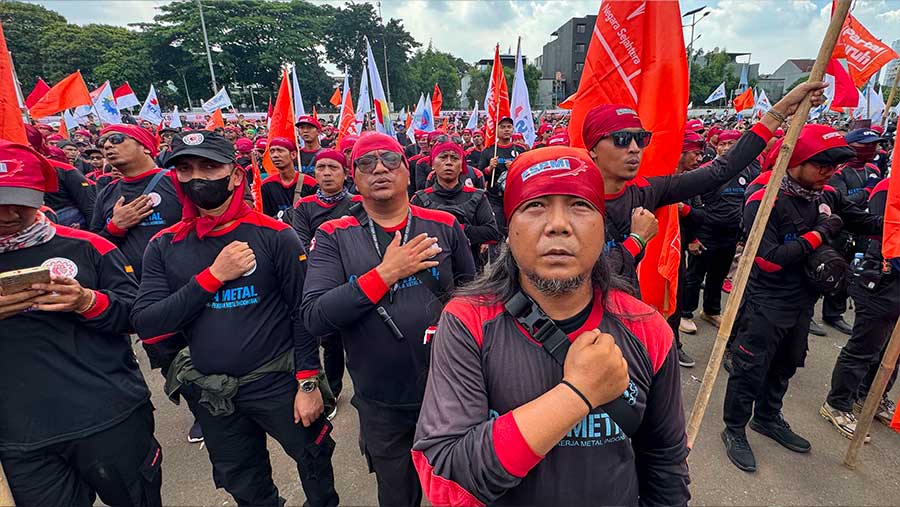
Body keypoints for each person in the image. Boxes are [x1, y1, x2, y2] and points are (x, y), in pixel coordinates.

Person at [412, 146, 690, 506]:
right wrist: (576, 394)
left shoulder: (647, 328)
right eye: (535, 206)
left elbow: (665, 462)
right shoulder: (467, 322)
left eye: (579, 205)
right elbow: (446, 482)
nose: (558, 224)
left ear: (601, 227)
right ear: (509, 231)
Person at [131, 131, 339, 506]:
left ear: (236, 175)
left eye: (209, 167)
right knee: (242, 481)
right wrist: (212, 277)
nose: (197, 177)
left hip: (278, 383)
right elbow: (147, 322)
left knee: (314, 463)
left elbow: (302, 314)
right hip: (213, 393)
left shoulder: (275, 236)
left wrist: (308, 382)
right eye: (185, 168)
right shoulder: (164, 245)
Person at [302, 133, 476, 507]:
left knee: (462, 491)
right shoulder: (334, 234)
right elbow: (315, 316)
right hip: (381, 403)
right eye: (366, 163)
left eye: (390, 160)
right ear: (354, 177)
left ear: (408, 172)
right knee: (397, 495)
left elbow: (473, 301)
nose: (379, 168)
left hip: (450, 393)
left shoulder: (444, 224)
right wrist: (386, 274)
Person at [0, 140, 161, 506]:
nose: (8, 214)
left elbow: (140, 314)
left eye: (19, 200)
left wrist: (88, 301)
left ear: (39, 195)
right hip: (21, 437)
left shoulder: (88, 246)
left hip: (108, 416)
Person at [721, 124, 882, 473]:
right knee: (750, 367)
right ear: (796, 160)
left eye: (834, 165)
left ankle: (767, 417)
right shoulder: (764, 197)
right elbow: (769, 259)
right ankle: (734, 429)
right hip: (767, 300)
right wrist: (819, 234)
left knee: (788, 362)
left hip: (804, 299)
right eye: (821, 164)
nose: (829, 172)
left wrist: (893, 223)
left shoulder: (826, 193)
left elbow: (866, 222)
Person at [582, 82, 825, 292]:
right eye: (622, 140)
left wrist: (781, 110)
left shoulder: (646, 190)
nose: (635, 148)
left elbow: (720, 170)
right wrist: (637, 239)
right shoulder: (570, 198)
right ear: (593, 148)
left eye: (641, 139)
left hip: (625, 304)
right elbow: (579, 277)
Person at [88, 125, 202, 441]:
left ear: (146, 146)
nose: (107, 146)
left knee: (205, 346)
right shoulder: (107, 193)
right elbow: (93, 246)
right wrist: (116, 226)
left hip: (189, 285)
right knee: (168, 356)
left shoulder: (174, 182)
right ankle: (201, 411)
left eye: (116, 139)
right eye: (102, 142)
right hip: (141, 294)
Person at [821, 176, 898, 439]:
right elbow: (879, 230)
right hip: (882, 278)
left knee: (892, 351)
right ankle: (837, 403)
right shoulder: (888, 188)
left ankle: (871, 396)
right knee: (866, 347)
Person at [292, 149, 361, 411]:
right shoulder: (304, 206)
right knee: (330, 341)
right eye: (321, 167)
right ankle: (332, 390)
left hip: (355, 279)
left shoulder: (358, 203)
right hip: (321, 280)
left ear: (346, 174)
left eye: (333, 167)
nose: (327, 173)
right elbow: (301, 243)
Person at [680, 128, 760, 332]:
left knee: (718, 275)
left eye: (730, 144)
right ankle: (685, 313)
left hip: (730, 234)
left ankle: (711, 310)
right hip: (705, 233)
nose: (725, 148)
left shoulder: (747, 171)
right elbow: (693, 207)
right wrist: (693, 238)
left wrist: (742, 234)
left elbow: (746, 202)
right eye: (722, 144)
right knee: (694, 276)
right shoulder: (706, 172)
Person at [820, 128, 886, 335]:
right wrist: (867, 190)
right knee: (827, 270)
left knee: (848, 273)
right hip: (840, 230)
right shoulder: (838, 172)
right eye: (866, 146)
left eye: (874, 145)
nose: (872, 149)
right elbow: (844, 202)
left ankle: (834, 313)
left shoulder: (872, 170)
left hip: (862, 228)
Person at [411, 142, 499, 267]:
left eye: (454, 158)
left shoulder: (477, 197)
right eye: (443, 157)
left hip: (471, 267)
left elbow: (492, 232)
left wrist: (454, 229)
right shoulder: (419, 200)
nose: (449, 162)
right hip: (432, 269)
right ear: (433, 164)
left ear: (462, 166)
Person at [667, 131, 707, 368]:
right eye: (695, 153)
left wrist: (684, 210)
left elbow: (701, 216)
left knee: (675, 301)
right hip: (653, 252)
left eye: (701, 154)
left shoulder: (689, 183)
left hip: (677, 252)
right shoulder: (660, 178)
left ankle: (674, 346)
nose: (699, 158)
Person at [24, 126, 96, 229]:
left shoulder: (66, 170)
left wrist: (91, 231)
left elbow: (88, 205)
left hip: (62, 219)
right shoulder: (10, 172)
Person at [478, 117, 527, 237]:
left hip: (516, 196)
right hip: (495, 198)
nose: (506, 130)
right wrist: (489, 168)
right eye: (503, 127)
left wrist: (515, 167)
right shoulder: (488, 151)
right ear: (496, 130)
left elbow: (527, 173)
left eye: (509, 127)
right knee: (498, 228)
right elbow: (480, 176)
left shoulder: (520, 150)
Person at [260, 137, 317, 218]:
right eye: (272, 151)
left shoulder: (311, 184)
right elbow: (266, 216)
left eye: (280, 151)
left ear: (293, 155)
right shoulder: (266, 185)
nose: (275, 155)